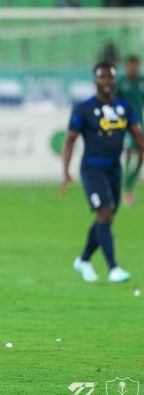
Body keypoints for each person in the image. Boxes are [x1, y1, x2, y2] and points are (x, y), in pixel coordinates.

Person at [61, 61, 144, 283]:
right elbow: (70, 140)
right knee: (104, 212)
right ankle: (113, 268)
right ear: (95, 80)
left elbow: (137, 135)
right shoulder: (84, 108)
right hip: (92, 168)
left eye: (110, 77)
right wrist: (66, 171)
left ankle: (84, 260)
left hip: (113, 169)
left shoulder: (124, 107)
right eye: (102, 77)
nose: (107, 81)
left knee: (106, 218)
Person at [117, 55, 144, 205]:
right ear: (127, 66)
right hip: (125, 124)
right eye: (130, 65)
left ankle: (127, 185)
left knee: (140, 155)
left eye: (136, 65)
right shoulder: (121, 83)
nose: (133, 68)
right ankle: (126, 190)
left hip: (140, 124)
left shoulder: (142, 82)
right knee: (129, 152)